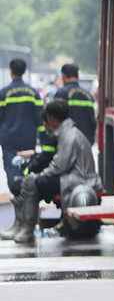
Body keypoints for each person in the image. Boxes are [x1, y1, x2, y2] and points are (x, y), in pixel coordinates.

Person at [6, 99, 99, 245]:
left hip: (76, 180)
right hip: (73, 177)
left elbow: (60, 165)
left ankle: (26, 229)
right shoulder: (68, 133)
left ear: (51, 119)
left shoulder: (70, 136)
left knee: (32, 182)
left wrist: (39, 175)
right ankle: (21, 225)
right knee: (33, 181)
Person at [0, 58, 44, 236]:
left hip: (9, 141)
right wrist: (43, 138)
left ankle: (22, 223)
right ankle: (24, 223)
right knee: (27, 177)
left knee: (14, 177)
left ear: (11, 71)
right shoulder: (33, 93)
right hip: (28, 142)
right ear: (24, 71)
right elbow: (40, 119)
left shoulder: (4, 93)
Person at [52, 63, 97, 144]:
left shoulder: (62, 93)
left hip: (67, 141)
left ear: (63, 75)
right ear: (77, 76)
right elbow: (92, 120)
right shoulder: (88, 95)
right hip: (86, 141)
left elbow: (55, 119)